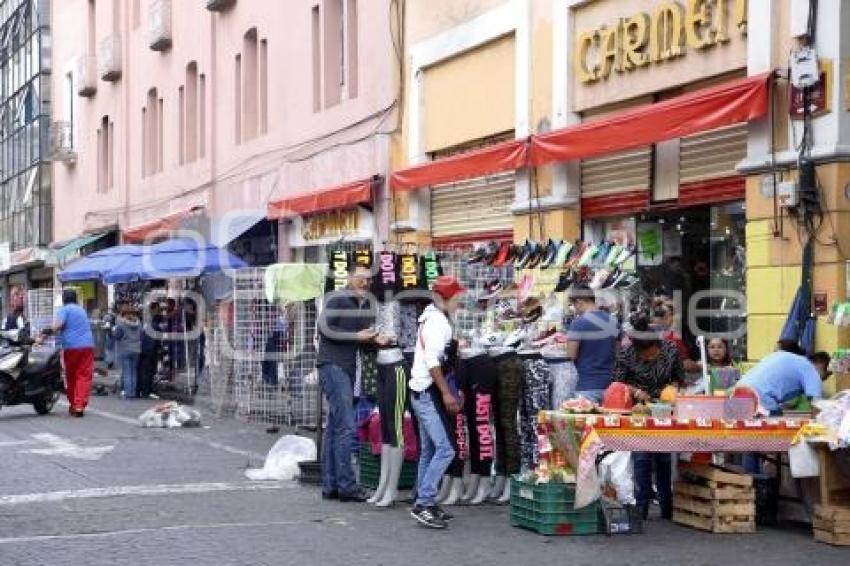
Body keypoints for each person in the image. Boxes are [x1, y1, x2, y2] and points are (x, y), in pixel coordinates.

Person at [316, 264, 386, 503]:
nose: (365, 283)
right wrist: (357, 337)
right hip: (332, 365)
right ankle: (346, 485)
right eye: (360, 278)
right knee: (345, 426)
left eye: (368, 280)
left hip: (346, 368)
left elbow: (364, 339)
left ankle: (331, 485)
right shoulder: (338, 298)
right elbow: (324, 328)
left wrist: (378, 339)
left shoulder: (366, 305)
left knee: (336, 426)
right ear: (349, 278)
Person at [612, 315, 684, 520]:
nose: (649, 359)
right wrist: (635, 391)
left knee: (663, 456)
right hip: (638, 410)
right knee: (642, 457)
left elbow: (679, 379)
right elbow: (618, 383)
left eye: (653, 355)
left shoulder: (671, 351)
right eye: (645, 357)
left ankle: (666, 505)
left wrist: (672, 390)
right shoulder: (626, 353)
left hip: (664, 408)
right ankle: (641, 504)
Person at [409, 276, 465, 529]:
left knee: (431, 449)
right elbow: (433, 362)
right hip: (427, 392)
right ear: (444, 298)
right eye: (456, 298)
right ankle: (424, 502)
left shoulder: (432, 318)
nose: (459, 302)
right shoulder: (436, 323)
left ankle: (424, 500)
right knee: (446, 449)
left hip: (421, 390)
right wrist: (446, 393)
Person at [565, 284, 619, 404]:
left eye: (573, 305)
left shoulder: (578, 323)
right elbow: (618, 351)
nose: (574, 309)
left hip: (587, 386)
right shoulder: (612, 321)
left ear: (579, 302)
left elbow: (570, 355)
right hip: (611, 386)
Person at [735, 346, 827, 415]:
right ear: (820, 364)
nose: (826, 378)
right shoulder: (811, 370)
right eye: (828, 373)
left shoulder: (788, 357)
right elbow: (817, 406)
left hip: (738, 390)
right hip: (759, 398)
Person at [49, 289, 95, 417]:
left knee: (71, 376)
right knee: (84, 376)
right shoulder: (82, 310)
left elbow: (57, 326)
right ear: (76, 299)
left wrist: (47, 331)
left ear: (64, 299)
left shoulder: (64, 309)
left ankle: (75, 404)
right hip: (87, 346)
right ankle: (79, 405)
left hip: (72, 347)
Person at [114, 305, 142, 399]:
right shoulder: (139, 323)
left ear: (124, 314)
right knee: (134, 372)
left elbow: (117, 336)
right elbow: (141, 335)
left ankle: (128, 393)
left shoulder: (121, 324)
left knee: (127, 372)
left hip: (125, 349)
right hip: (137, 349)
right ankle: (133, 392)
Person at [137, 302, 161, 399]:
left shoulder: (143, 322)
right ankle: (146, 391)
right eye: (157, 309)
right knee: (148, 371)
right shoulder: (153, 323)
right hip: (150, 350)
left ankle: (140, 390)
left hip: (143, 349)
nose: (158, 311)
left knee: (142, 370)